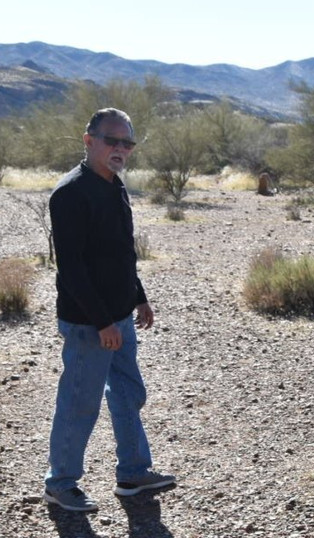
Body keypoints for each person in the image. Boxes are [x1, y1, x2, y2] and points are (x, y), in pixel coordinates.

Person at [43, 108, 175, 513]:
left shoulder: (115, 186)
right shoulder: (70, 193)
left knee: (128, 394)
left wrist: (139, 295)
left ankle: (133, 472)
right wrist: (102, 322)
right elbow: (73, 268)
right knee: (80, 402)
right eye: (111, 141)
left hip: (119, 316)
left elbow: (121, 252)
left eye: (127, 143)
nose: (120, 149)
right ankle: (60, 483)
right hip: (89, 323)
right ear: (89, 141)